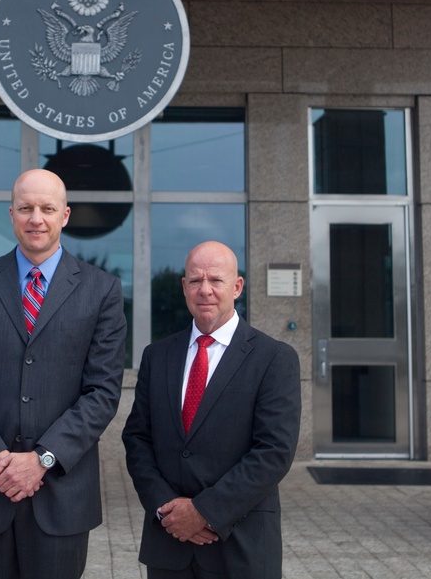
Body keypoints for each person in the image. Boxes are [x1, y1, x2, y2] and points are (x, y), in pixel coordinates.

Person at [0, 168, 127, 579]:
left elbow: (103, 391)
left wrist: (42, 459)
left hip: (61, 495)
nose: (36, 218)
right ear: (11, 214)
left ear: (65, 215)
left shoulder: (102, 291)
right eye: (25, 208)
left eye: (47, 208)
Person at [122, 240, 301, 579]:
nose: (205, 290)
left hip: (240, 547)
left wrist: (204, 512)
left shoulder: (274, 359)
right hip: (169, 545)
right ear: (184, 287)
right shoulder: (157, 356)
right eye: (195, 280)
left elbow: (273, 451)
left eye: (216, 280)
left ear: (237, 287)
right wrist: (166, 510)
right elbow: (137, 439)